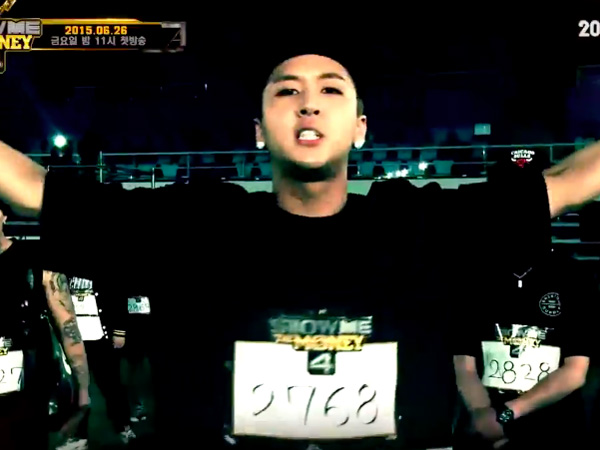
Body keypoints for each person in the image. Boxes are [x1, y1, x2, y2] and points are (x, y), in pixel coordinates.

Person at [0, 52, 599, 449]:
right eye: (287, 90)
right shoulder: (193, 224)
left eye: (331, 90)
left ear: (360, 128)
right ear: (259, 131)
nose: (308, 103)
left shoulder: (420, 223)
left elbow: (572, 180)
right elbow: (29, 188)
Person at [453, 242, 593, 449]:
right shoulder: (472, 276)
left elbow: (575, 371)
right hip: (484, 425)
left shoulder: (574, 275)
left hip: (556, 426)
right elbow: (464, 366)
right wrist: (483, 416)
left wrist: (507, 413)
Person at [0, 205, 90, 450]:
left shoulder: (36, 261)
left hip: (28, 395)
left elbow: (68, 326)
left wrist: (82, 388)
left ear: (3, 215)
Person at [65, 276, 135, 448]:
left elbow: (119, 297)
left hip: (100, 338)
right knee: (78, 388)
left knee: (111, 385)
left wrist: (119, 331)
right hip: (75, 339)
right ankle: (79, 435)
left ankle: (123, 426)